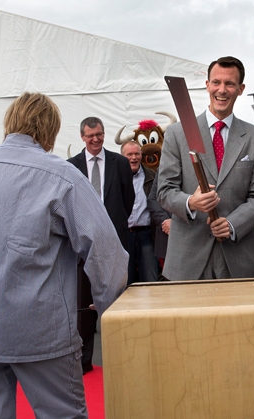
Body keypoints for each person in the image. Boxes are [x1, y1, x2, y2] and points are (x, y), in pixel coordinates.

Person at [0, 92, 128, 418]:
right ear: (51, 130)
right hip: (40, 328)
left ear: (10, 122)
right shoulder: (62, 175)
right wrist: (113, 316)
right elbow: (105, 252)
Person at [157, 56, 254, 281]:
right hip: (187, 259)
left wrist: (232, 224)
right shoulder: (177, 134)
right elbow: (165, 191)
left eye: (230, 84)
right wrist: (190, 203)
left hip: (237, 257)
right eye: (216, 82)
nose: (222, 90)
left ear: (241, 89)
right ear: (207, 85)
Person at [68, 116, 134, 373]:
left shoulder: (120, 163)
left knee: (117, 302)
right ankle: (84, 361)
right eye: (90, 136)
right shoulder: (71, 166)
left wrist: (112, 225)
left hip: (114, 242)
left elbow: (128, 200)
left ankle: (121, 359)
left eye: (99, 134)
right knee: (84, 305)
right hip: (83, 245)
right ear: (82, 137)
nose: (95, 139)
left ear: (104, 134)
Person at [121, 140, 158, 284]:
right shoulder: (116, 177)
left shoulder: (152, 176)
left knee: (150, 278)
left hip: (147, 234)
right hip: (124, 235)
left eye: (137, 154)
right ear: (122, 156)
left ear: (141, 155)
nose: (134, 158)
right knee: (125, 280)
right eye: (129, 154)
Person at [147, 175, 172, 274]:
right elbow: (153, 199)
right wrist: (165, 221)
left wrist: (176, 223)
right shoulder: (162, 169)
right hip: (166, 239)